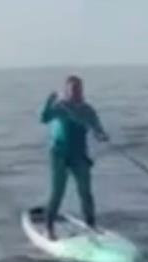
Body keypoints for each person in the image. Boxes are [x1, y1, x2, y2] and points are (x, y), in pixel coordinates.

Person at [40, 75, 109, 240]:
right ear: (67, 91)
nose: (76, 92)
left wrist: (101, 135)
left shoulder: (88, 110)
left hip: (79, 155)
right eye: (73, 89)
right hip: (59, 154)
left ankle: (91, 225)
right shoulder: (60, 107)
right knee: (58, 192)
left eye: (79, 89)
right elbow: (44, 118)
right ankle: (49, 228)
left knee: (85, 192)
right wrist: (49, 101)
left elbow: (97, 128)